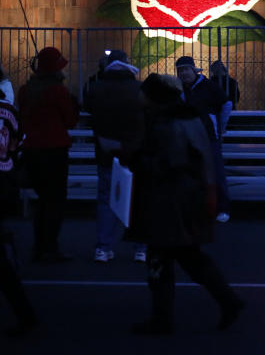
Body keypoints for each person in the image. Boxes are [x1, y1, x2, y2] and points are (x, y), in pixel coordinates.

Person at [127, 73, 244, 334]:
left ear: (154, 97)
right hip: (189, 200)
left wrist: (133, 160)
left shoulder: (166, 124)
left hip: (168, 203)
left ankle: (163, 318)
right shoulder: (189, 117)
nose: (139, 97)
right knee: (189, 257)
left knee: (161, 260)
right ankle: (227, 301)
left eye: (143, 93)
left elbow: (169, 164)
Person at [82, 50, 147, 263]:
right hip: (135, 152)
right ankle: (141, 248)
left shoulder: (96, 89)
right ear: (128, 66)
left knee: (106, 200)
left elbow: (88, 108)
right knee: (138, 201)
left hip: (106, 152)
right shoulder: (139, 90)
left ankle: (103, 247)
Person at [17, 46, 80, 262]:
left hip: (32, 150)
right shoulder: (58, 91)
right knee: (54, 201)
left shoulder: (25, 90)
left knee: (43, 201)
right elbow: (70, 121)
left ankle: (39, 246)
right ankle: (50, 247)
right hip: (54, 150)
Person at [175, 56, 232, 222]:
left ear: (193, 70)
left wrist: (221, 127)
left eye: (186, 69)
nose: (184, 73)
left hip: (208, 136)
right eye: (181, 70)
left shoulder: (209, 87)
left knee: (215, 172)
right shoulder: (180, 89)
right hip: (187, 138)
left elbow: (226, 104)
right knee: (193, 173)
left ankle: (222, 208)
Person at [0, 98, 38, 337]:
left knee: (3, 269)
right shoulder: (9, 109)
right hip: (5, 179)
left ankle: (25, 315)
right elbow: (20, 142)